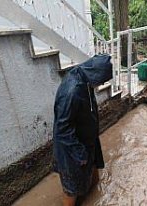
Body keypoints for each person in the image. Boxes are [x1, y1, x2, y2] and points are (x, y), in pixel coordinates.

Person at [53, 54, 113, 206]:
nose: (102, 83)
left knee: (94, 172)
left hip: (88, 138)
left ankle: (95, 197)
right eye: (102, 80)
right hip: (72, 147)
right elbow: (62, 130)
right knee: (71, 188)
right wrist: (80, 154)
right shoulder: (71, 92)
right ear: (95, 74)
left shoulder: (85, 77)